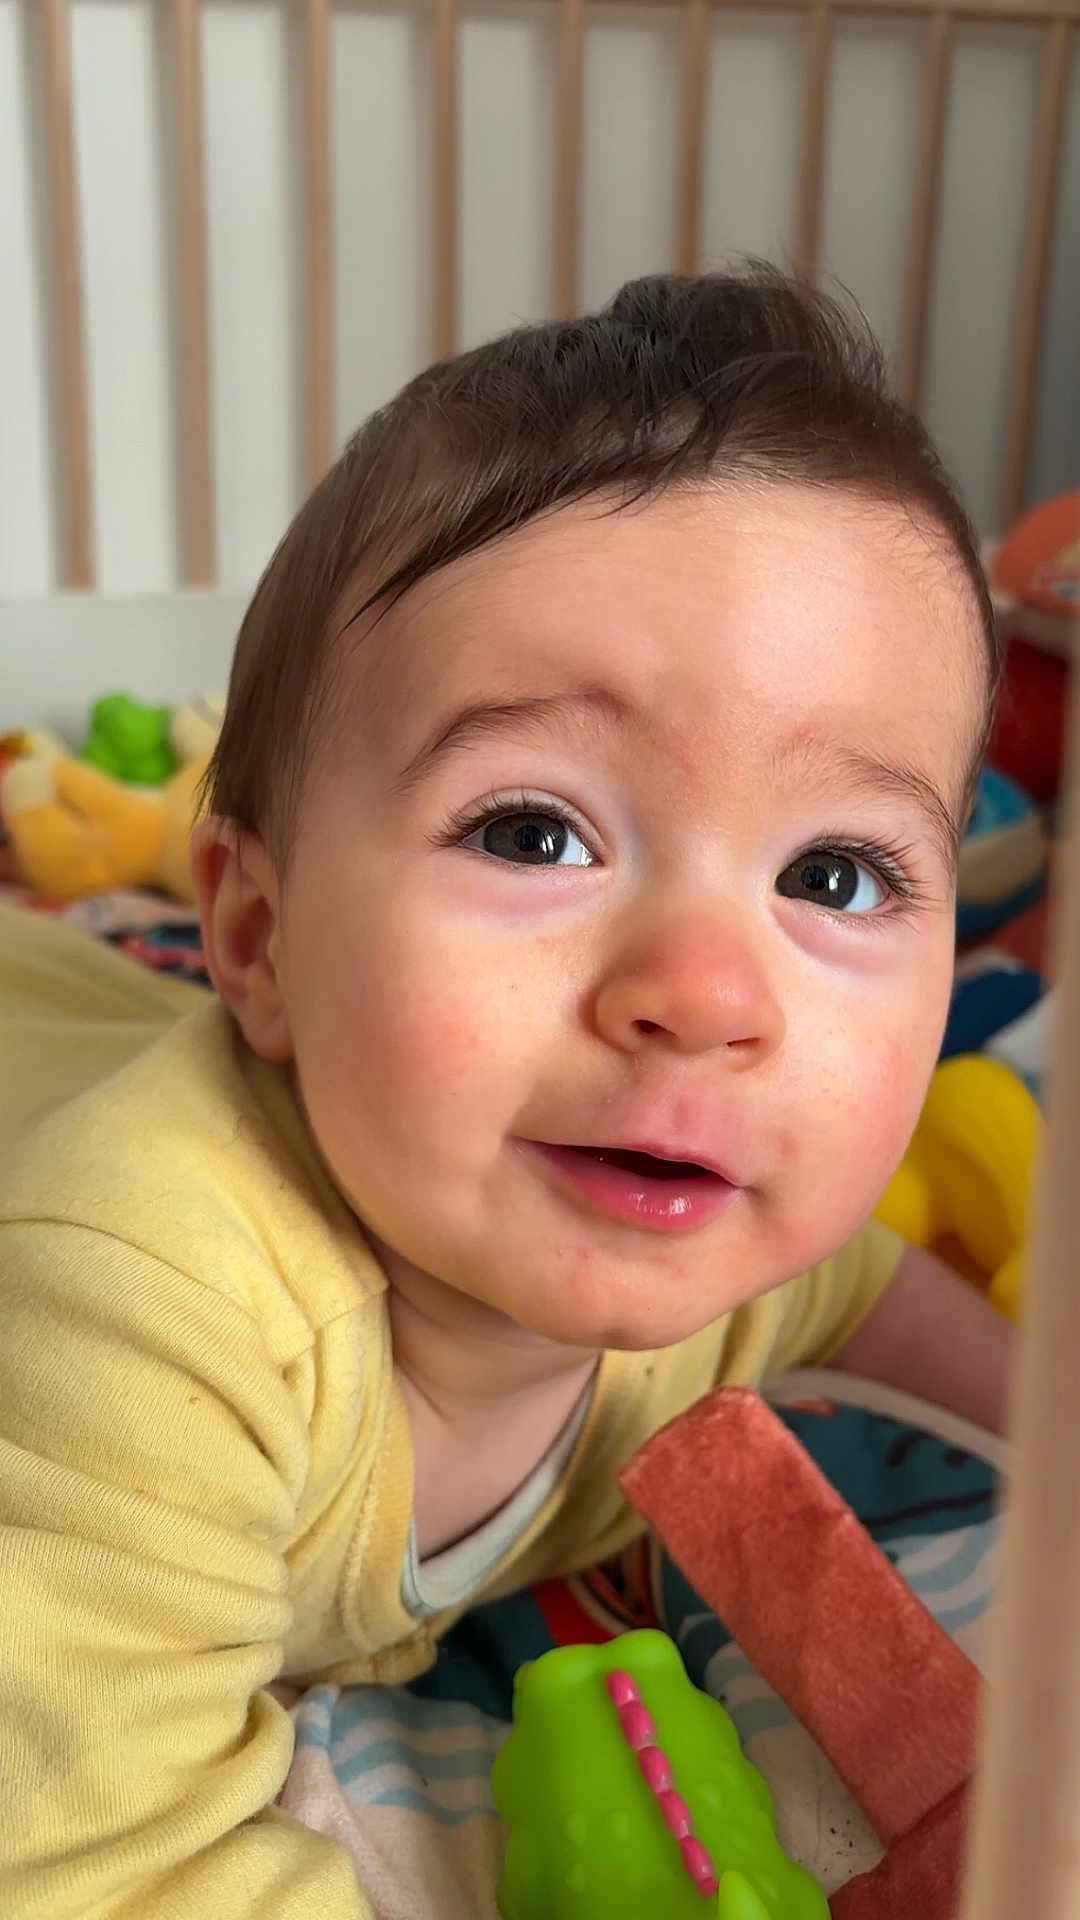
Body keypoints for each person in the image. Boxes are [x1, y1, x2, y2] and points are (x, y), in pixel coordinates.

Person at [0, 265, 1014, 1918]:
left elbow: (867, 1294)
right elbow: (94, 1864)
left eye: (834, 871)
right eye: (533, 833)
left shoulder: (690, 1236)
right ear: (253, 931)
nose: (704, 999)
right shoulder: (137, 1320)